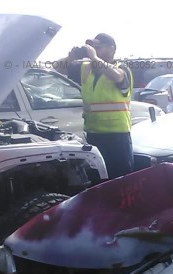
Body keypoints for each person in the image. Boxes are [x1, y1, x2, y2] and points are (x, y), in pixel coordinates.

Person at [54, 33, 133, 179]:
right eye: (93, 47)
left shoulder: (122, 68)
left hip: (117, 136)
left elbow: (117, 76)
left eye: (98, 47)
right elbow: (56, 67)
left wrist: (94, 57)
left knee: (120, 178)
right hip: (94, 134)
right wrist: (70, 57)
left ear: (111, 49)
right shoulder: (86, 68)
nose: (94, 50)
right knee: (98, 177)